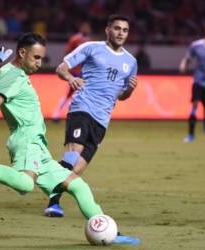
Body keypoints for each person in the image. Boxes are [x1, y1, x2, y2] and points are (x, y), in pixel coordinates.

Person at [0, 33, 140, 245]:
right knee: (24, 184)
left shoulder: (6, 72)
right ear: (22, 53)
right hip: (25, 140)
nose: (39, 63)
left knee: (79, 186)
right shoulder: (13, 77)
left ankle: (112, 233)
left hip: (39, 147)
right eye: (36, 57)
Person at [44, 14, 138, 219]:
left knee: (78, 168)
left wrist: (129, 91)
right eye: (117, 28)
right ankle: (53, 203)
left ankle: (46, 177)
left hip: (102, 119)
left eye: (125, 30)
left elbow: (121, 96)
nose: (121, 33)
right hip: (82, 108)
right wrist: (70, 78)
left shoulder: (131, 62)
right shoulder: (91, 48)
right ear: (107, 30)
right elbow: (61, 68)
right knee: (72, 154)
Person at [51, 21, 92, 121]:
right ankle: (57, 113)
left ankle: (78, 114)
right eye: (85, 27)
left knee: (83, 94)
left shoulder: (90, 41)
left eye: (88, 27)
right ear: (81, 28)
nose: (86, 29)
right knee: (70, 93)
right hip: (75, 71)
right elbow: (68, 52)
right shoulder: (75, 39)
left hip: (84, 72)